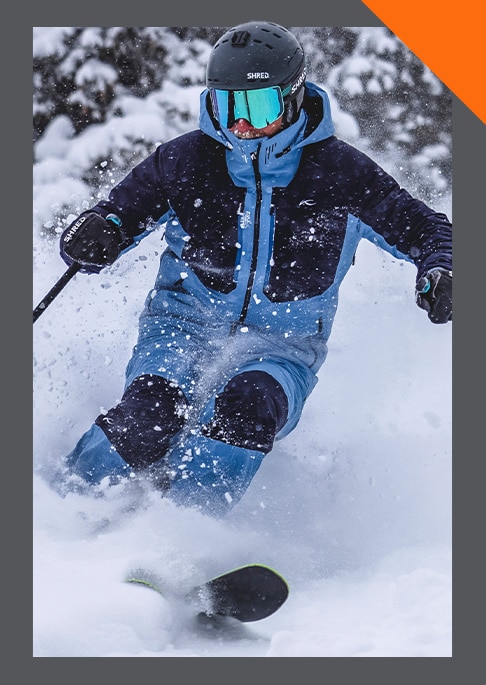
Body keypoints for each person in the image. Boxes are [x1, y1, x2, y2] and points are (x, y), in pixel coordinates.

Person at [58, 21, 452, 516]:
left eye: (256, 105)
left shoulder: (339, 174)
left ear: (293, 97)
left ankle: (175, 535)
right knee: (151, 415)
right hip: (182, 328)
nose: (239, 125)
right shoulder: (184, 162)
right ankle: (60, 508)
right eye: (226, 105)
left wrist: (442, 269)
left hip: (282, 347)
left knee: (248, 406)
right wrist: (97, 232)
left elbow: (427, 230)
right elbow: (116, 215)